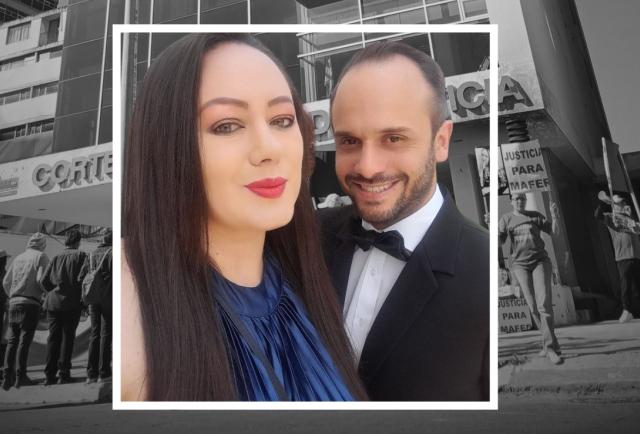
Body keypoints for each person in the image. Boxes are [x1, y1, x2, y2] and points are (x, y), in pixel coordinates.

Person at [121, 34, 367, 401]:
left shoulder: (313, 275)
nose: (269, 148)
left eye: (282, 120)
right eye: (227, 125)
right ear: (167, 145)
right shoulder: (133, 298)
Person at [318, 42, 489, 401]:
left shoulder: (483, 267)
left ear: (441, 142)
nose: (367, 167)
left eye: (393, 138)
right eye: (349, 141)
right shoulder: (307, 240)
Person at [498, 193, 562, 364]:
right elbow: (499, 242)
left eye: (522, 199)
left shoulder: (535, 216)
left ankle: (550, 348)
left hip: (540, 262)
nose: (520, 201)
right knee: (532, 306)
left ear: (525, 201)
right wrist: (491, 226)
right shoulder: (506, 219)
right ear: (511, 202)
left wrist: (554, 216)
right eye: (516, 199)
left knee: (543, 304)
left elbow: (554, 232)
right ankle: (550, 342)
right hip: (520, 265)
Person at [40, 229, 88, 385]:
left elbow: (44, 281)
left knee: (53, 338)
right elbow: (84, 280)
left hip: (53, 303)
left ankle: (49, 375)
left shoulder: (56, 256)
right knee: (68, 338)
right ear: (78, 241)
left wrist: (53, 290)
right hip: (72, 303)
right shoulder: (81, 256)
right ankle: (64, 373)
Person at [1, 234, 49, 389]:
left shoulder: (18, 258)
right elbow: (41, 280)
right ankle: (20, 376)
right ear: (42, 244)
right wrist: (46, 294)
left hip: (14, 302)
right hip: (30, 303)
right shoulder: (41, 256)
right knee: (24, 340)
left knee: (12, 340)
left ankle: (7, 377)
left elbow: (6, 282)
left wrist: (12, 295)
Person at [595, 191, 640, 322]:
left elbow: (637, 230)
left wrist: (633, 220)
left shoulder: (631, 217)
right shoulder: (611, 217)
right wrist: (604, 203)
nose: (623, 204)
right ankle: (627, 310)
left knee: (637, 285)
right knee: (626, 284)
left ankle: (633, 310)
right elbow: (597, 215)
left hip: (636, 255)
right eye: (619, 203)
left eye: (623, 203)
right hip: (623, 256)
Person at [83, 229, 113, 383]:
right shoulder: (113, 253)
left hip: (93, 299)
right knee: (106, 334)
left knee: (94, 334)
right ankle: (104, 372)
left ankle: (91, 374)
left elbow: (81, 277)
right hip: (109, 298)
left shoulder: (91, 254)